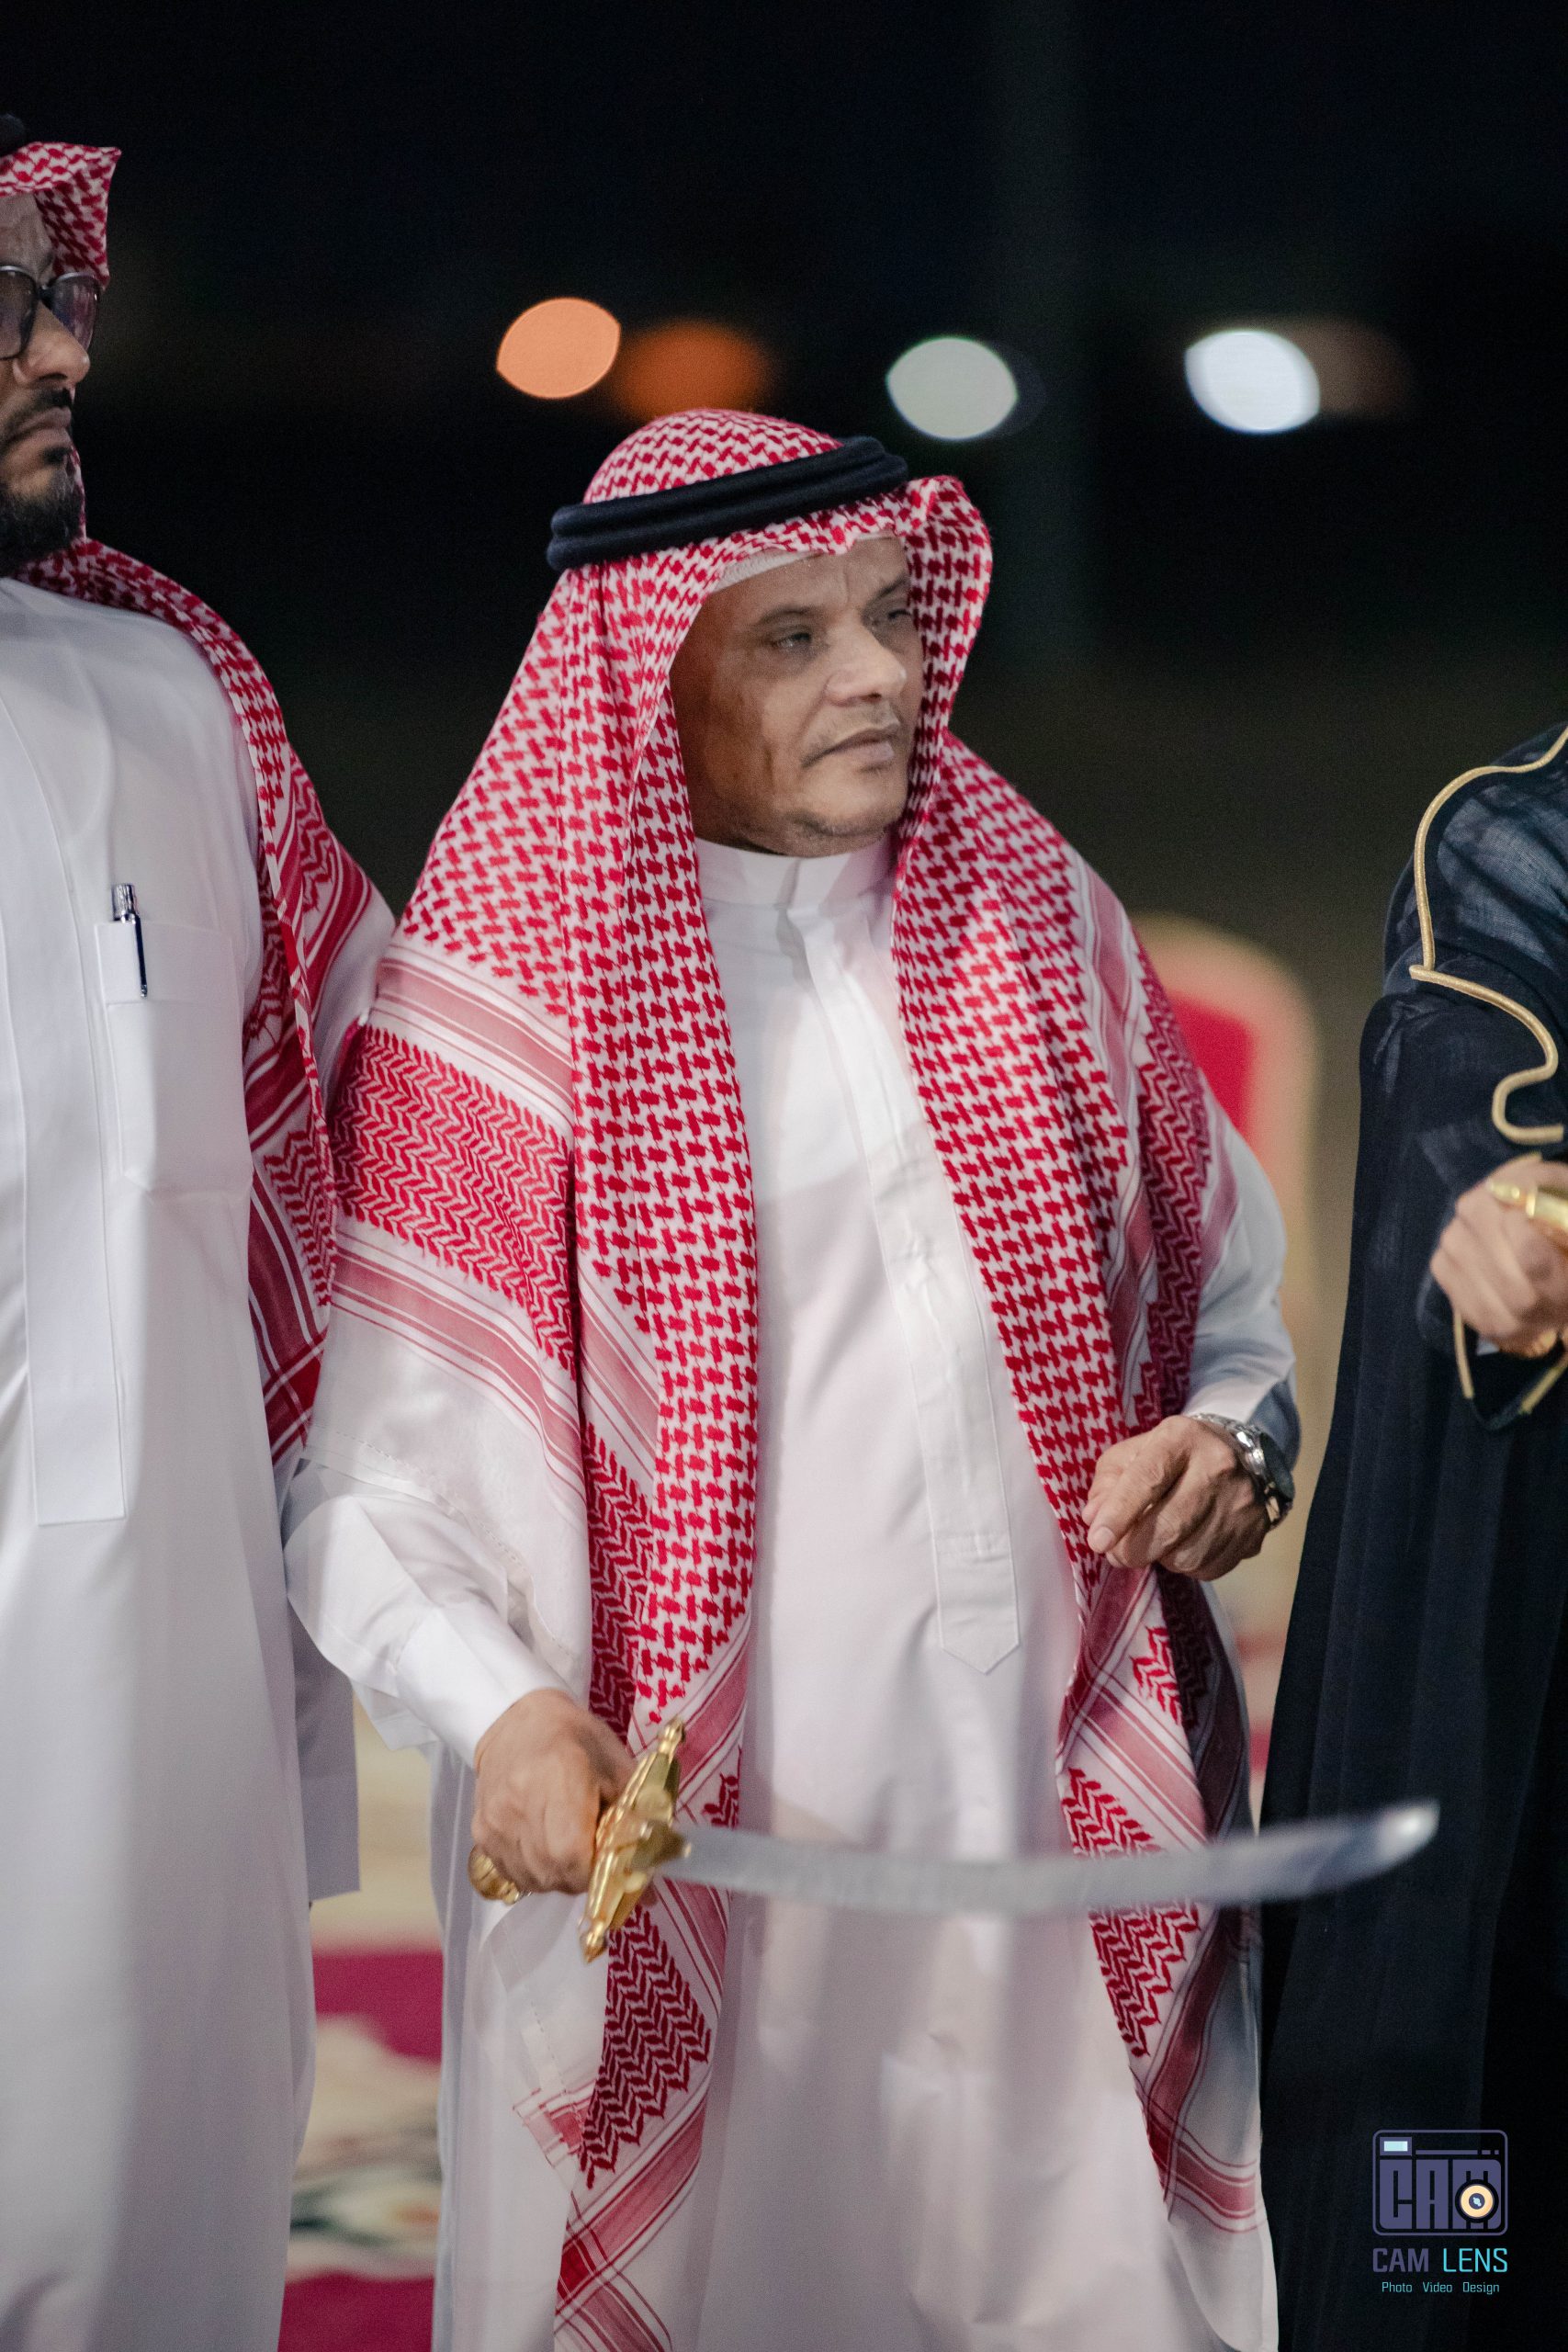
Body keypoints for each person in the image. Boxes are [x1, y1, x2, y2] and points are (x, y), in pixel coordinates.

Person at [285, 407, 1298, 2351]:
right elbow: (365, 1499)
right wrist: (503, 1714)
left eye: (894, 617)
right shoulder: (505, 1017)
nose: (879, 678)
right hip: (701, 1860)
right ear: (648, 678)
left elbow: (1235, 1309)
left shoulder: (1033, 918)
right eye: (792, 637)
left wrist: (1231, 1442)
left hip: (1055, 1812)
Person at [0, 123, 390, 2349]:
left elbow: (404, 1109)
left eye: (60, 295)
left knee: (162, 2245)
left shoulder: (166, 701)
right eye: (7, 306)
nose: (65, 347)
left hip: (168, 1682)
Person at [1262, 721, 1568, 2348]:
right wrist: (1497, 1205)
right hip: (1522, 1768)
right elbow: (1461, 1089)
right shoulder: (1518, 844)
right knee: (1448, 2234)